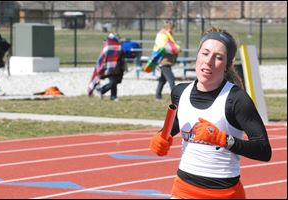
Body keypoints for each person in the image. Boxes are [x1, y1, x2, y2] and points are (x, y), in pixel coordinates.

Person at [149, 27, 272, 199]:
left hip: (225, 194)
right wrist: (160, 137)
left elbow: (264, 150)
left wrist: (223, 140)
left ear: (227, 65)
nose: (208, 61)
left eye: (218, 57)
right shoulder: (179, 92)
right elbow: (175, 125)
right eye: (205, 53)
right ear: (197, 55)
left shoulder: (237, 99)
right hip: (183, 191)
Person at [87, 33, 126, 101]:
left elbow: (122, 56)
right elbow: (103, 57)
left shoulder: (118, 46)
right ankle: (103, 91)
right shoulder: (108, 46)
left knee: (114, 81)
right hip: (108, 67)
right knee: (114, 82)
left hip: (116, 67)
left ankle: (112, 96)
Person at [153, 20, 180, 101]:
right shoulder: (162, 36)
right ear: (168, 28)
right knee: (171, 79)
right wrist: (176, 49)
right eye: (171, 29)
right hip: (163, 62)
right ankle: (176, 98)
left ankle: (158, 96)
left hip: (166, 61)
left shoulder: (167, 36)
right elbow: (163, 47)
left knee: (162, 80)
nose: (172, 31)